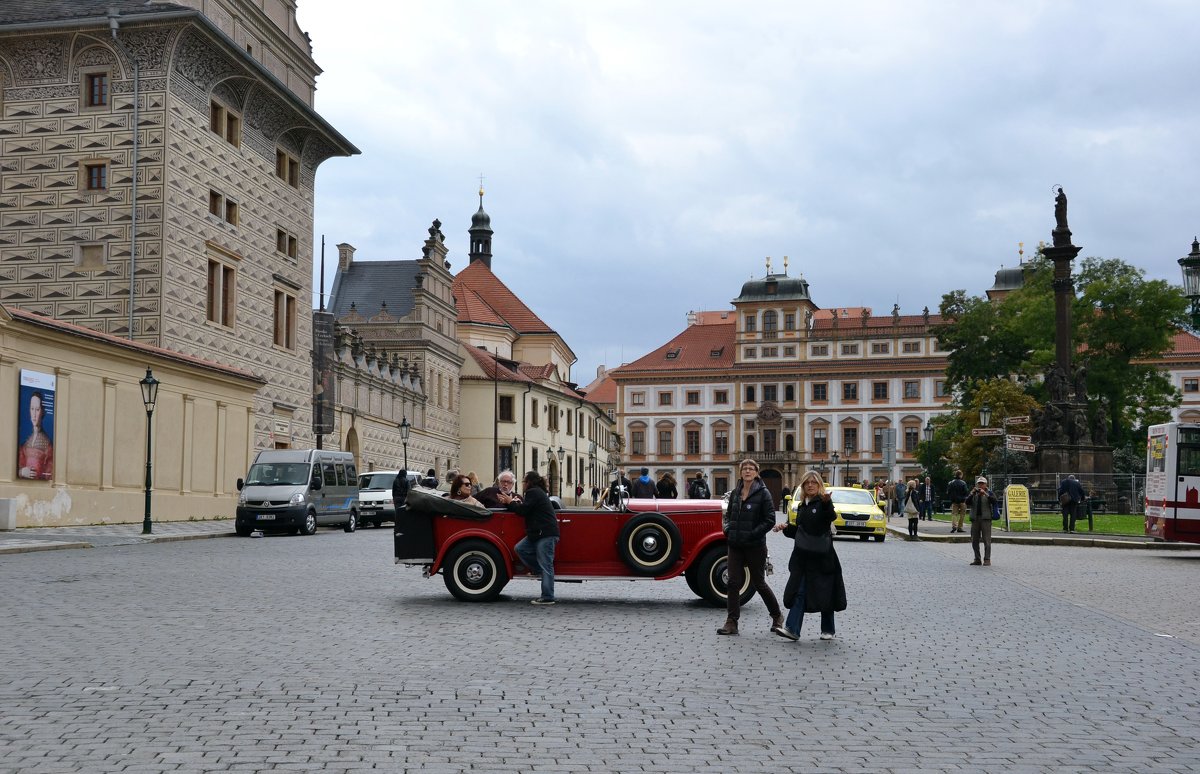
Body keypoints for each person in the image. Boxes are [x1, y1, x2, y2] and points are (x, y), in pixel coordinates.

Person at [773, 470, 846, 641]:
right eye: (807, 483)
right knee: (800, 591)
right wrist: (785, 528)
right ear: (803, 486)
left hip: (823, 557)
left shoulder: (823, 502)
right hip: (803, 557)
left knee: (825, 592)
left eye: (814, 482)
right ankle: (792, 629)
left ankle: (828, 629)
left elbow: (830, 517)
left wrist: (828, 503)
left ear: (819, 485)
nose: (810, 485)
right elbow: (801, 532)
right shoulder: (802, 505)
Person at [717, 459, 784, 636]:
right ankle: (731, 622)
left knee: (759, 583)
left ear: (756, 472)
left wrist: (753, 533)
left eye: (751, 469)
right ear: (740, 472)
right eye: (744, 468)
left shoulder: (763, 493)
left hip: (755, 545)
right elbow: (728, 515)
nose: (747, 471)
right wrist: (728, 530)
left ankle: (777, 616)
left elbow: (770, 519)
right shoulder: (735, 493)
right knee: (732, 582)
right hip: (735, 544)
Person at [499, 471, 559, 605]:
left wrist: (509, 502)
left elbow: (523, 511)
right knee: (520, 549)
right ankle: (538, 570)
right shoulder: (538, 492)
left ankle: (548, 596)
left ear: (528, 482)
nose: (523, 484)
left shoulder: (533, 492)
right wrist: (513, 503)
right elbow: (527, 508)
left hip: (544, 533)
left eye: (524, 482)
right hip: (539, 533)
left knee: (546, 565)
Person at [18, 391, 53, 480]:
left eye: (37, 409)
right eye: (32, 408)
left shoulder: (48, 445)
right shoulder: (25, 442)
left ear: (42, 412)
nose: (34, 414)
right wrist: (21, 472)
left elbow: (49, 476)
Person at [967, 476, 999, 566]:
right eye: (979, 483)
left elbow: (994, 501)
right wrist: (971, 494)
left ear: (986, 484)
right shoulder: (973, 493)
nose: (980, 485)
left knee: (987, 540)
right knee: (974, 540)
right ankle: (977, 559)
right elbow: (967, 502)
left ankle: (987, 559)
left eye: (982, 483)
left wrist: (985, 493)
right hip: (975, 519)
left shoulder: (989, 493)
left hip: (986, 519)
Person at [946, 469, 969, 533]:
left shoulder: (951, 483)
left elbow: (948, 492)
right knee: (962, 514)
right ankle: (960, 527)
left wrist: (952, 498)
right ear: (960, 475)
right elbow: (966, 492)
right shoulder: (963, 483)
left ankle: (954, 526)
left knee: (954, 514)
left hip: (954, 501)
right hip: (962, 501)